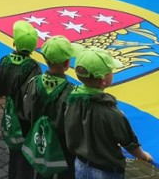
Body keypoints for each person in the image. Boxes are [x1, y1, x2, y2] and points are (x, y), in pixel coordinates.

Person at [65, 45, 153, 178]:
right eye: (111, 70)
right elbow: (128, 141)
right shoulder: (112, 113)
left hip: (80, 164)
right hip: (106, 171)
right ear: (103, 80)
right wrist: (143, 156)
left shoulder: (71, 100)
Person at [20, 36, 76, 179]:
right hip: (63, 152)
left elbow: (27, 112)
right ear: (67, 63)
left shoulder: (33, 83)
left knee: (41, 173)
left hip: (40, 144)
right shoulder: (71, 92)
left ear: (45, 59)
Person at [0, 21, 41, 179]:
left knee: (13, 150)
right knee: (26, 155)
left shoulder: (5, 61)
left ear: (14, 42)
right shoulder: (33, 67)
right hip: (26, 118)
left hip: (10, 114)